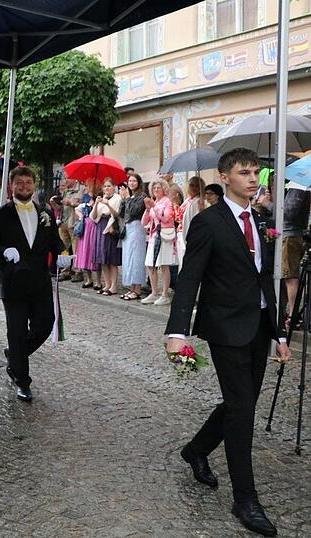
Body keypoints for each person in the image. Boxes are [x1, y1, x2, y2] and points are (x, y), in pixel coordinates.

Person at [166, 148, 290, 537]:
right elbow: (189, 279)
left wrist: (280, 332)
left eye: (256, 172)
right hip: (224, 328)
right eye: (244, 172)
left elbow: (269, 281)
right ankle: (245, 499)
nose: (254, 179)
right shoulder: (208, 223)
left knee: (242, 403)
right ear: (225, 176)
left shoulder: (261, 219)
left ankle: (196, 450)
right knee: (242, 409)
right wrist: (176, 332)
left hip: (257, 326)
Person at [0, 166, 65, 402]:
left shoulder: (46, 213)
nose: (24, 187)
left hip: (39, 283)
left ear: (34, 185)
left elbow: (55, 242)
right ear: (12, 186)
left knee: (45, 325)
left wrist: (63, 253)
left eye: (29, 182)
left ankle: (15, 355)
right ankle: (22, 380)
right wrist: (3, 251)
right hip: (14, 284)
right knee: (17, 332)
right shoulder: (0, 214)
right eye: (20, 183)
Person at [141, 180, 176, 305]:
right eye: (154, 188)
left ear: (163, 189)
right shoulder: (154, 202)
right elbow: (144, 222)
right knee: (150, 264)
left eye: (158, 188)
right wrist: (147, 210)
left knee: (164, 265)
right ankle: (154, 292)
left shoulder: (167, 202)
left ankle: (165, 294)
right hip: (153, 237)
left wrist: (154, 208)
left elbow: (166, 218)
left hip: (164, 237)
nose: (156, 190)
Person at [281, 185, 311, 327]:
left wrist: (267, 203)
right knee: (288, 277)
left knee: (290, 277)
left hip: (291, 234)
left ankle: (293, 315)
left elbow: (289, 212)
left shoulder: (297, 187)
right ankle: (288, 313)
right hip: (294, 234)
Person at [90, 178, 122, 296]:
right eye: (105, 186)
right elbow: (93, 217)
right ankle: (107, 284)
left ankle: (114, 286)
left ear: (114, 187)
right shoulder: (101, 198)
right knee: (103, 259)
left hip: (110, 227)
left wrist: (107, 204)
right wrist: (97, 203)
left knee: (111, 259)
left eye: (109, 186)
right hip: (100, 227)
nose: (106, 188)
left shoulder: (117, 198)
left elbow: (116, 214)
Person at [119, 174, 148, 301]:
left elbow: (134, 211)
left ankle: (137, 289)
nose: (131, 183)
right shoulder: (129, 197)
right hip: (128, 228)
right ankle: (131, 287)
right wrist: (123, 200)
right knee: (128, 258)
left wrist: (126, 199)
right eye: (129, 181)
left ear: (138, 182)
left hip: (137, 227)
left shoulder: (142, 196)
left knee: (136, 258)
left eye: (134, 180)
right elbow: (121, 213)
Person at [73, 182, 100, 289]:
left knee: (94, 252)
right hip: (85, 226)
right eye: (88, 185)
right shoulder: (85, 197)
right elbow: (77, 209)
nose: (88, 187)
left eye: (90, 185)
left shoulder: (99, 196)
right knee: (85, 252)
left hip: (95, 226)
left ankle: (98, 281)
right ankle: (89, 279)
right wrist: (80, 216)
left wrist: (95, 204)